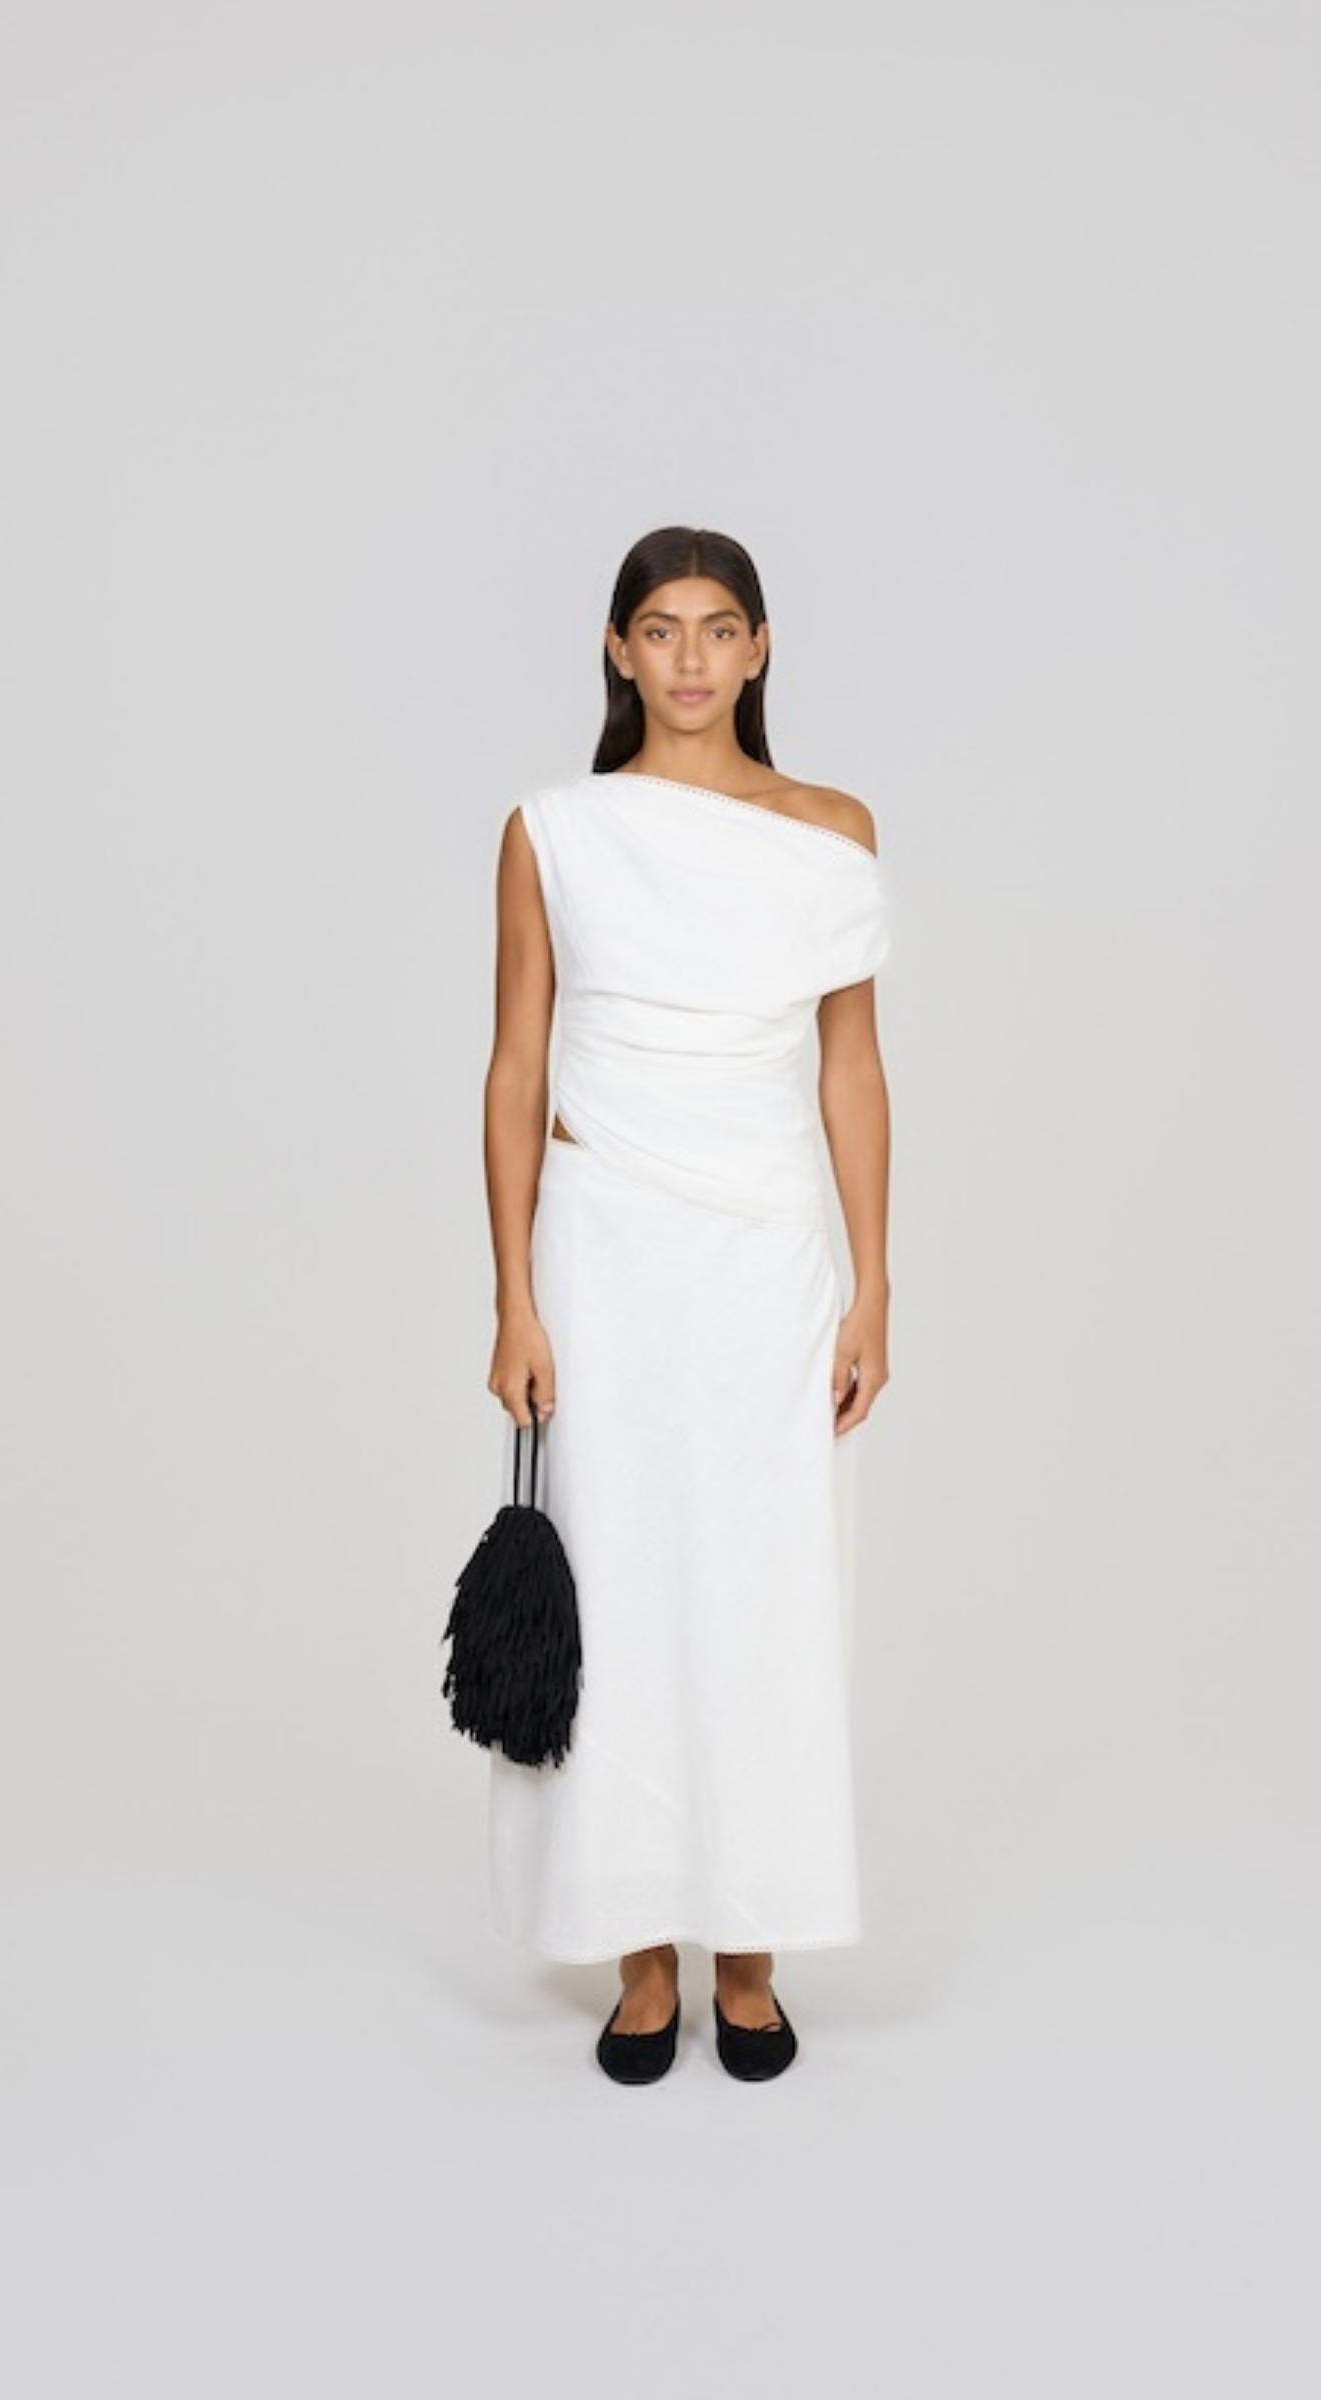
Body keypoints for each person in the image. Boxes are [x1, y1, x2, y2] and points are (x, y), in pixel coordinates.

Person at [480, 524, 894, 2083]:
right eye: (662, 629)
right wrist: (513, 1297)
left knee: (766, 1586)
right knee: (623, 1580)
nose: (693, 659)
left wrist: (874, 1283)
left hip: (766, 1256)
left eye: (721, 629)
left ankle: (754, 1952)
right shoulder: (553, 832)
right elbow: (516, 1066)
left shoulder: (831, 830)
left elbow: (851, 1069)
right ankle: (643, 1955)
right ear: (618, 649)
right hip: (606, 1251)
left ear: (762, 648)